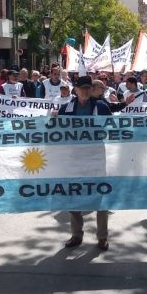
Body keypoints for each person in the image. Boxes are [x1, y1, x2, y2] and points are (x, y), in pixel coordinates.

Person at [59, 76, 113, 250]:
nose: (85, 91)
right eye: (82, 88)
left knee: (100, 194)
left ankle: (102, 236)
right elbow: (59, 131)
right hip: (73, 157)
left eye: (88, 88)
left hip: (96, 156)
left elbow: (112, 127)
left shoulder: (101, 107)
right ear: (75, 89)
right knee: (74, 194)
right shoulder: (66, 109)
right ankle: (76, 234)